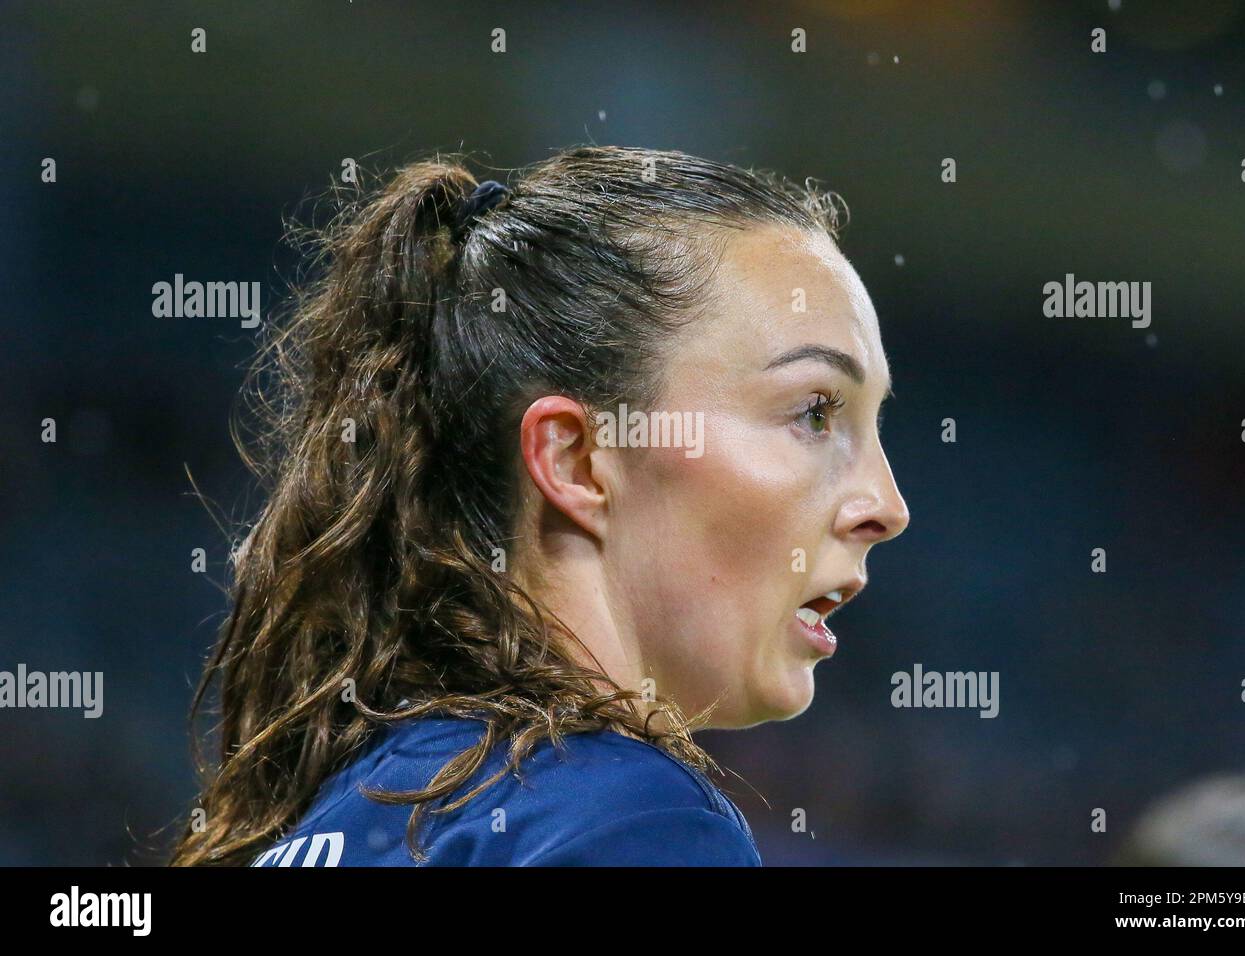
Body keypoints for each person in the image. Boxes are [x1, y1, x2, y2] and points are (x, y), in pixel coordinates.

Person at [171, 144, 909, 866]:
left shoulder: (329, 818)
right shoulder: (634, 825)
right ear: (575, 459)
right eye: (815, 411)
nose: (887, 504)